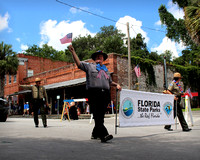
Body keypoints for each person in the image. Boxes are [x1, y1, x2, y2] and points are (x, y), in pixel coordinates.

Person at [68, 45, 122, 143]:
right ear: (94, 58)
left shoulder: (106, 70)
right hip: (93, 93)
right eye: (97, 56)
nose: (99, 58)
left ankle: (95, 133)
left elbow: (109, 82)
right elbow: (79, 64)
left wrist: (117, 85)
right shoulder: (89, 66)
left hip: (105, 94)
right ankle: (104, 135)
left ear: (103, 59)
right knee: (97, 115)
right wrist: (73, 52)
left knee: (100, 116)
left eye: (101, 56)